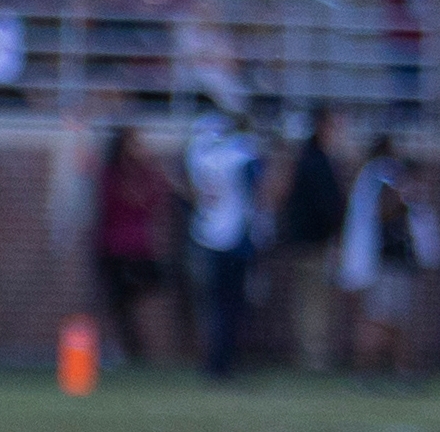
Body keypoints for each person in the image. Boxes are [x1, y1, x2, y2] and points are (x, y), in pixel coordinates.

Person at [340, 133, 440, 384]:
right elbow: (383, 211)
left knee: (398, 319)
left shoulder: (374, 175)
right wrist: (403, 196)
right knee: (381, 319)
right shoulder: (379, 175)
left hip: (396, 261)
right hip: (385, 261)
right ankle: (368, 371)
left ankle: (402, 371)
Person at [184, 96, 263, 381]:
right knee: (229, 306)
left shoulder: (201, 154)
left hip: (206, 232)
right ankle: (221, 364)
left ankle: (216, 362)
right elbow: (260, 189)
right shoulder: (239, 155)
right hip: (233, 237)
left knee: (216, 306)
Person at [92, 125, 172, 367]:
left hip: (140, 249)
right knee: (118, 304)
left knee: (149, 289)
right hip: (115, 248)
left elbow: (156, 197)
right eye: (135, 144)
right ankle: (128, 352)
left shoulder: (146, 174)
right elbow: (114, 204)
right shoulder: (111, 175)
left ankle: (136, 351)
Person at [277, 109, 348, 373]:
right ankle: (314, 357)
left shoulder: (307, 159)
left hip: (307, 240)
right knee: (314, 302)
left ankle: (312, 354)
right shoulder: (317, 162)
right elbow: (326, 205)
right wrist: (335, 235)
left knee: (311, 301)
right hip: (313, 243)